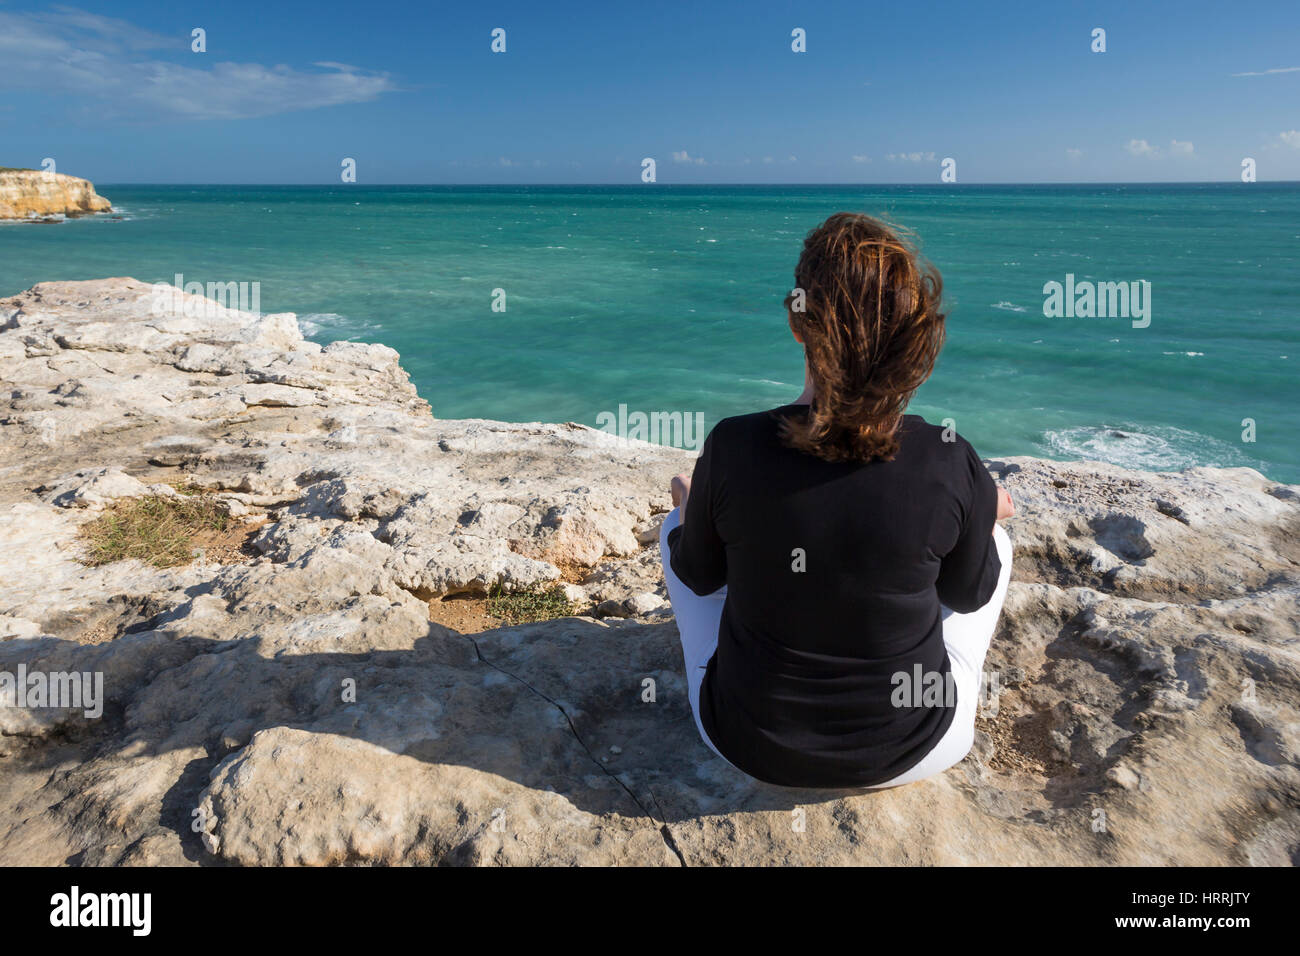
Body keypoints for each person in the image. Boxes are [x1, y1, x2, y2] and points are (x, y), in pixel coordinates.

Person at [660, 212, 1014, 789]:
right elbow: (966, 595)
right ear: (909, 331)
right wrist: (976, 512)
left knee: (678, 529)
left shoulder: (733, 444)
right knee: (993, 538)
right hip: (916, 748)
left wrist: (689, 509)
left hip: (746, 744)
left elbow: (698, 577)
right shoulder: (949, 459)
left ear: (799, 326)